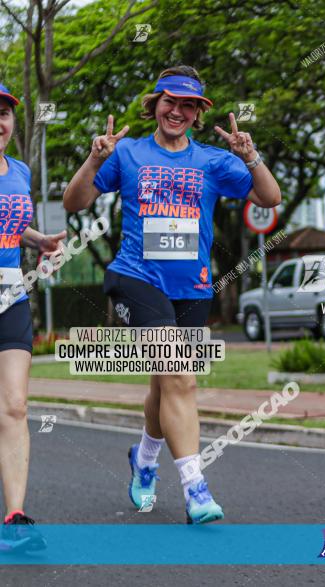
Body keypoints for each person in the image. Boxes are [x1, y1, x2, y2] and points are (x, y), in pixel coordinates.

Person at [63, 66, 281, 524]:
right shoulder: (126, 153)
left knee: (165, 384)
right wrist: (94, 161)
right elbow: (73, 203)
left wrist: (250, 155)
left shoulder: (213, 162)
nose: (176, 112)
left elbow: (269, 197)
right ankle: (195, 489)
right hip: (135, 278)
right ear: (155, 104)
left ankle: (144, 460)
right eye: (169, 102)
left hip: (194, 288)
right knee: (181, 377)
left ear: (199, 114)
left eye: (188, 105)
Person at [0, 83, 65, 550]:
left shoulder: (19, 170)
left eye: (4, 114)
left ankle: (15, 516)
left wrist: (37, 240)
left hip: (10, 295)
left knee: (15, 406)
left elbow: (12, 224)